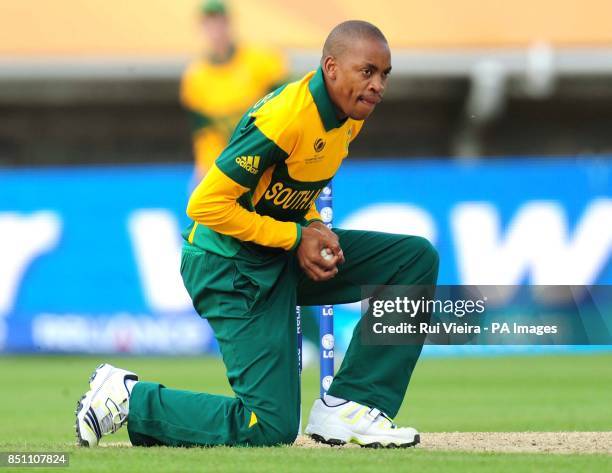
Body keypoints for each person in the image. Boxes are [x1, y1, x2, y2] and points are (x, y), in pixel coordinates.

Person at [75, 20, 439, 448]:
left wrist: (313, 226)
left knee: (412, 261)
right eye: (367, 72)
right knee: (269, 426)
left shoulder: (348, 116)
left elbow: (286, 189)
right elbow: (205, 205)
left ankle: (351, 407)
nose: (378, 85)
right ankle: (127, 399)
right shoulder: (286, 117)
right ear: (331, 68)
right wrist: (294, 238)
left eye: (384, 74)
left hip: (273, 251)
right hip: (226, 266)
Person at [181, 0, 288, 179]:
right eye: (209, 24)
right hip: (231, 161)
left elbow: (286, 107)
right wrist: (206, 169)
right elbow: (205, 132)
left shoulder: (261, 60)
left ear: (229, 24)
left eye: (219, 22)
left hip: (269, 153)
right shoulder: (196, 77)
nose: (215, 30)